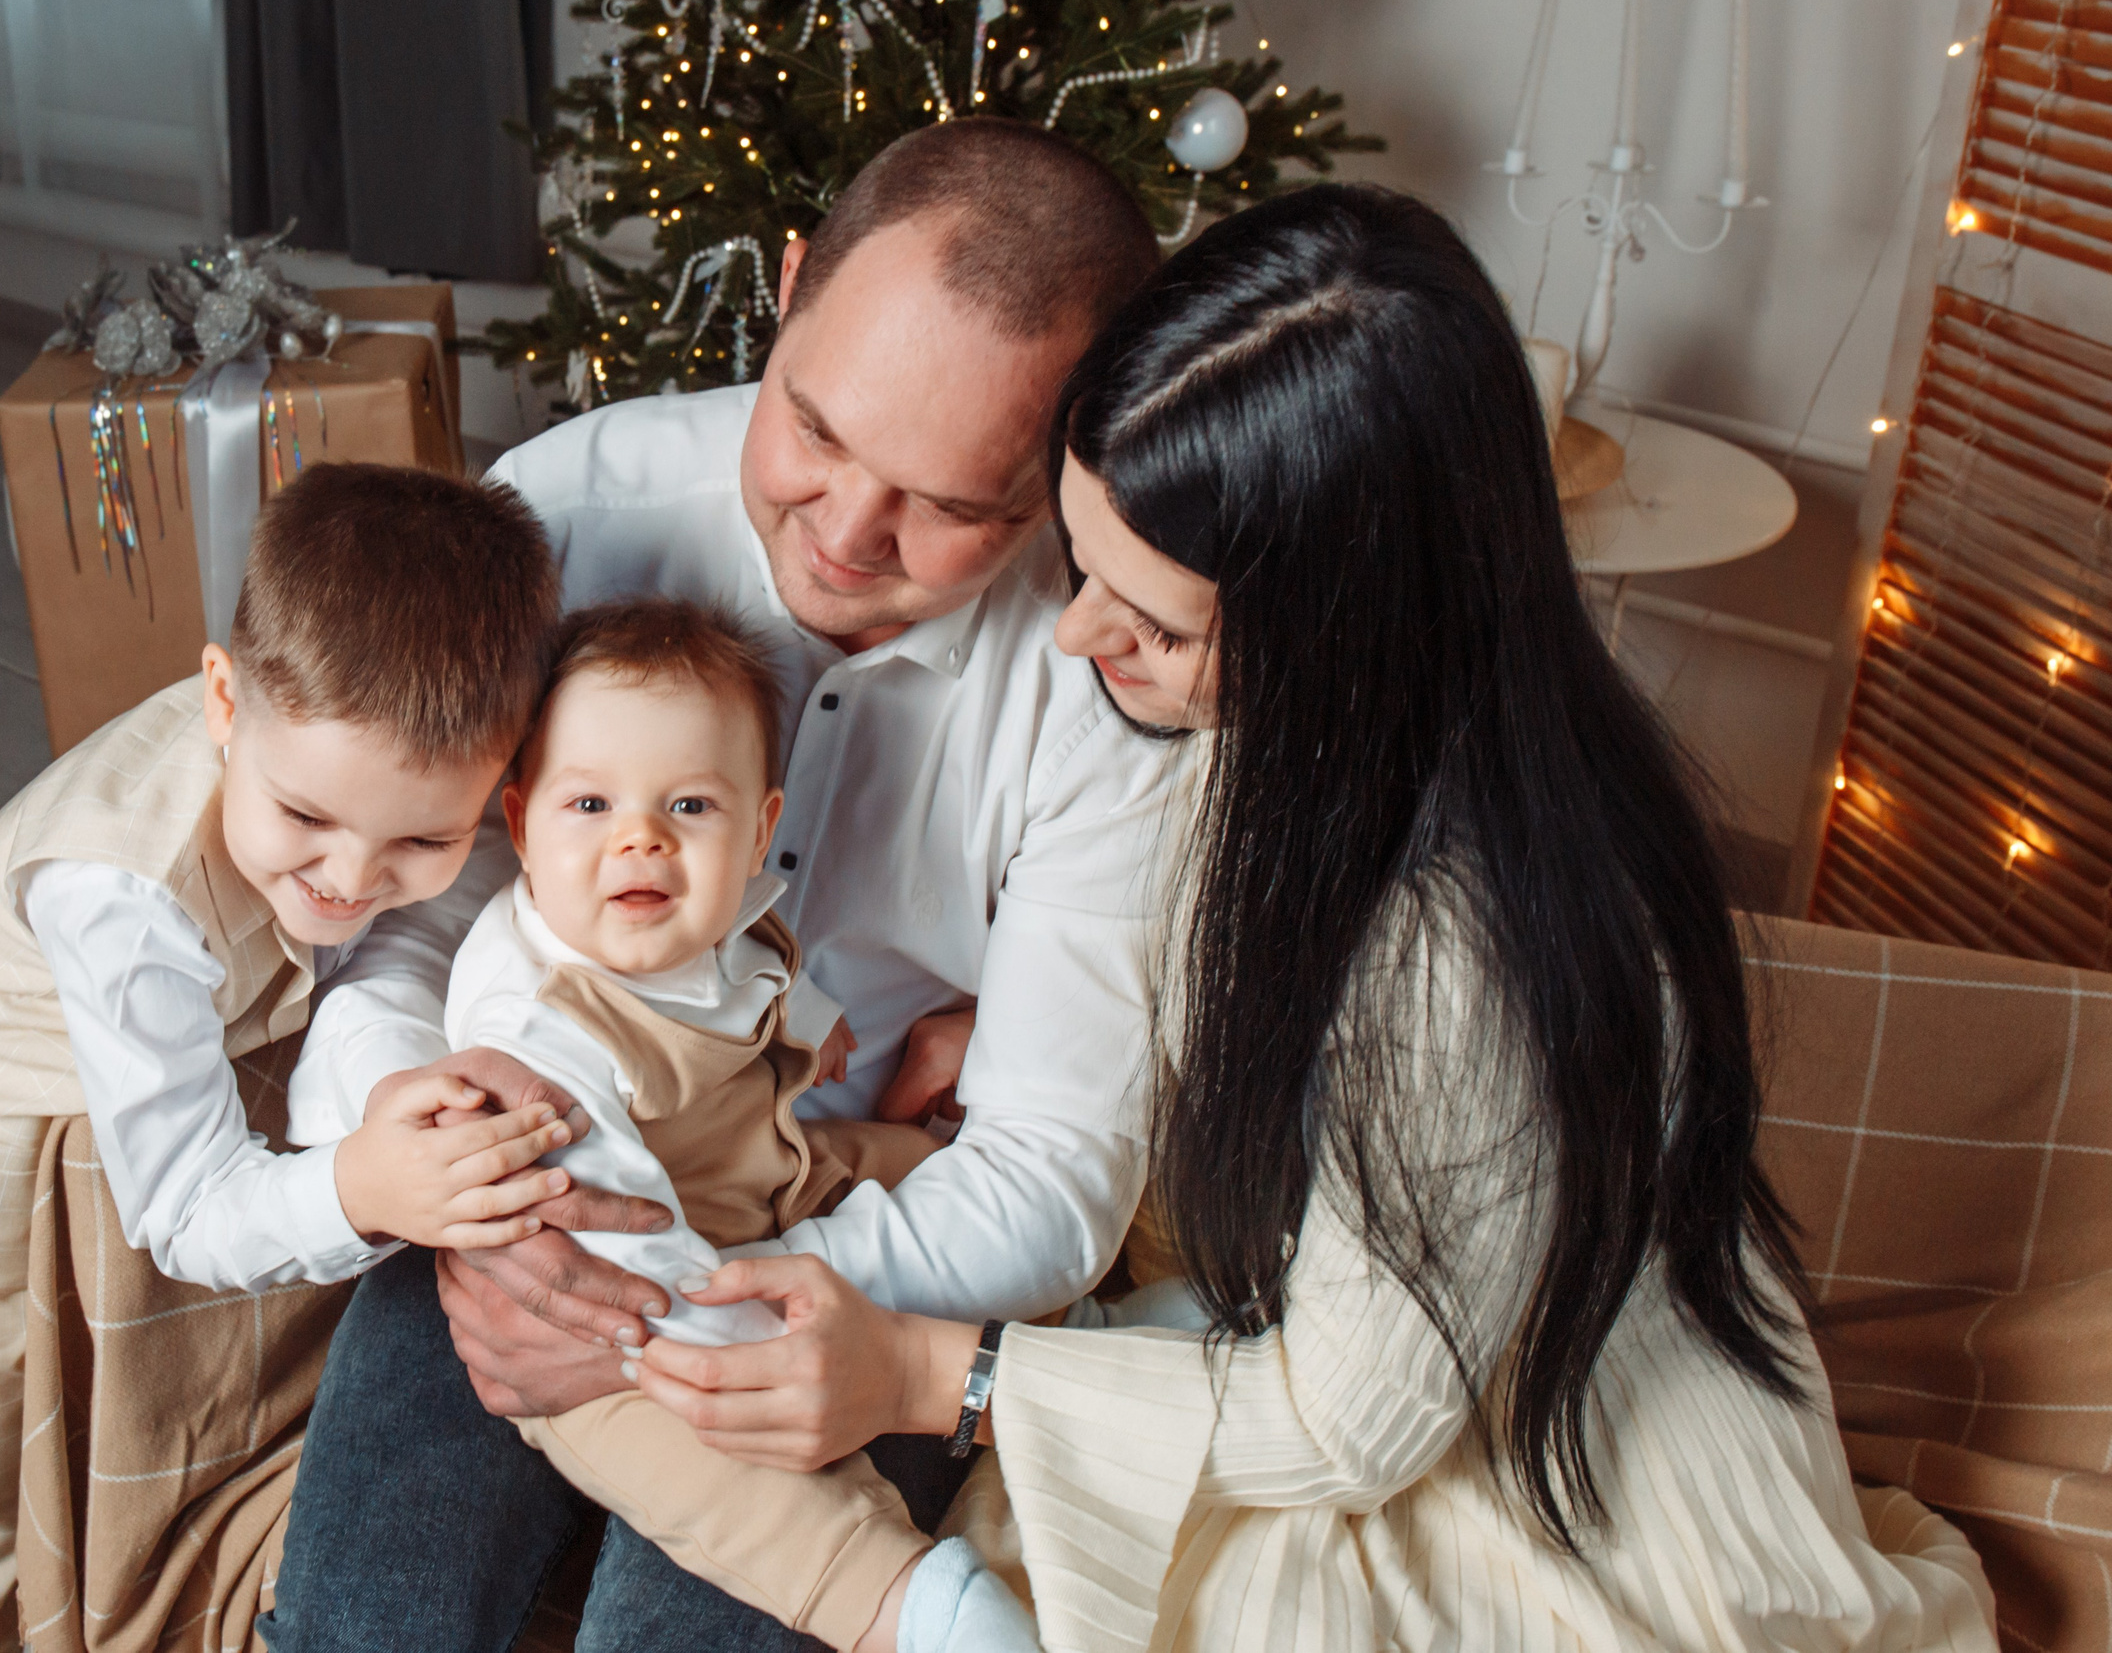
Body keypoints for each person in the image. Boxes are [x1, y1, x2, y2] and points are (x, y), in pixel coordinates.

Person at [622, 187, 2002, 1653]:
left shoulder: (1459, 946)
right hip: (1314, 1309)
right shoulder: (1302, 733)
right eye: (1077, 567)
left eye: (1151, 621)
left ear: (1345, 633)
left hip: (1512, 1460)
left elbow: (1354, 1419)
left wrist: (933, 1375)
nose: (1078, 637)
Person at [260, 119, 1189, 1653]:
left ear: (1071, 457)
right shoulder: (563, 515)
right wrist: (465, 1193)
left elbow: (1050, 1170)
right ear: (790, 282)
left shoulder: (1102, 677)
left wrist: (723, 1295)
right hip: (533, 1189)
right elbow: (403, 915)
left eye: (951, 504)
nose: (845, 533)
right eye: (817, 433)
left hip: (844, 1245)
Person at [0, 464, 603, 1653]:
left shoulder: (377, 802)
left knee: (113, 1464)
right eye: (306, 818)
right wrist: (357, 1188)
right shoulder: (120, 890)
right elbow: (183, 1204)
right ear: (223, 702)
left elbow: (378, 963)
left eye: (423, 839)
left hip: (147, 1117)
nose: (349, 877)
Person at [446, 598, 963, 1652]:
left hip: (772, 1169)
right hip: (614, 1313)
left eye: (688, 805)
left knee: (942, 1175)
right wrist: (750, 1344)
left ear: (759, 828)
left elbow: (756, 964)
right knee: (733, 1474)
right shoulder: (536, 1035)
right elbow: (625, 1253)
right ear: (521, 826)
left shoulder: (716, 908)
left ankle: (1072, 1341)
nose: (640, 835)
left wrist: (817, 1034)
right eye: (589, 802)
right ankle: (920, 1607)